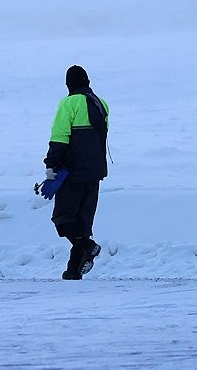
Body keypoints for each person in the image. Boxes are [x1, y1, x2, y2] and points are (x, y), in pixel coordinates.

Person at [42, 64, 110, 280]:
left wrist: (51, 165)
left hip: (72, 172)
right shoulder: (101, 104)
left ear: (68, 84)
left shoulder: (69, 104)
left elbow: (60, 137)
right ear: (87, 81)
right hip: (95, 172)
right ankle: (73, 270)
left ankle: (87, 246)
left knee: (63, 217)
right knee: (82, 222)